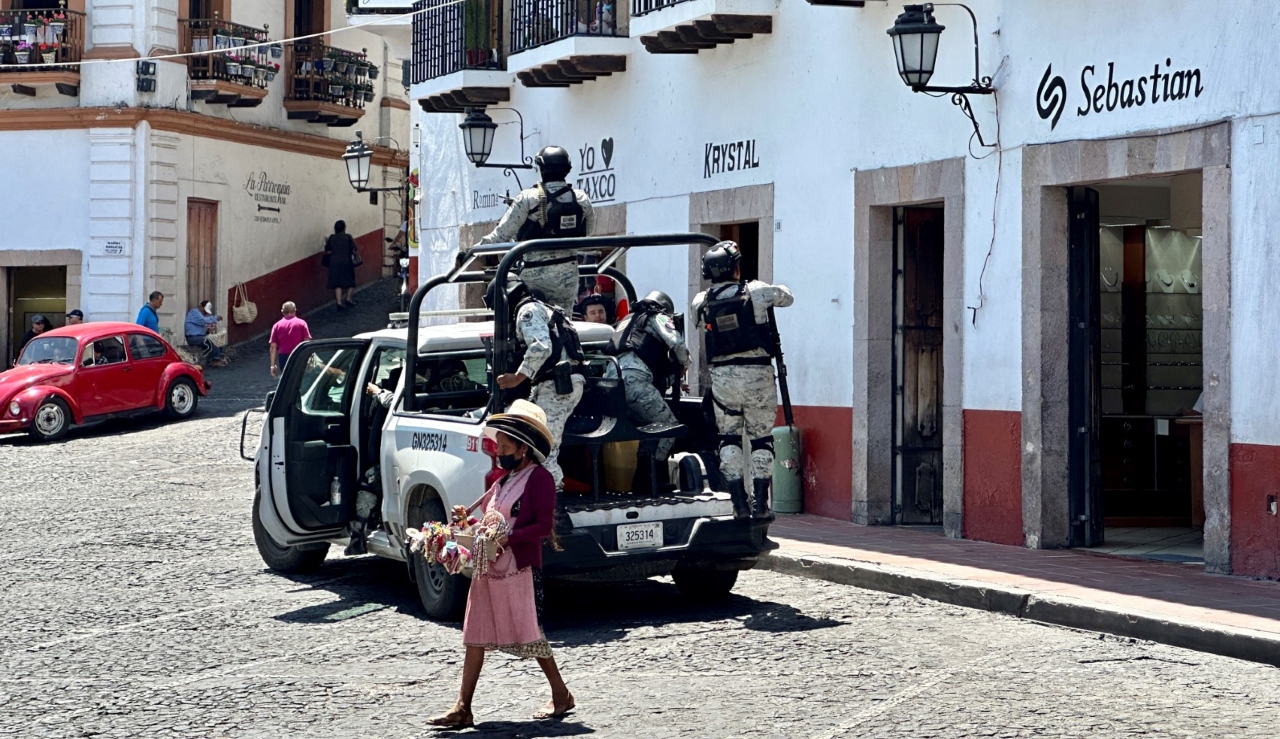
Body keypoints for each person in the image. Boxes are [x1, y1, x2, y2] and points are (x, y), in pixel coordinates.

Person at [428, 400, 574, 729]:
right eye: (499, 446)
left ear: (523, 448)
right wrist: (467, 523)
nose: (500, 452)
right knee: (475, 633)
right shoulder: (503, 480)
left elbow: (542, 526)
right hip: (489, 567)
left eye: (506, 447)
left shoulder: (539, 479)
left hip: (518, 569)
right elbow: (491, 521)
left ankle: (561, 694)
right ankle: (462, 707)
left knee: (531, 633)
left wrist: (509, 538)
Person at [692, 241, 794, 519]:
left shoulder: (701, 301)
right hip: (757, 376)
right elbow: (787, 297)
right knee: (761, 440)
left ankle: (738, 502)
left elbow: (697, 321)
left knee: (728, 439)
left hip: (723, 379)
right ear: (736, 267)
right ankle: (760, 504)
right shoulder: (756, 291)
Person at [488, 279, 585, 490]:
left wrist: (517, 377)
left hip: (557, 386)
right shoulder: (541, 308)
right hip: (555, 384)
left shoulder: (528, 310)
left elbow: (541, 347)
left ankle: (554, 502)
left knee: (545, 449)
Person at [476, 146, 595, 311]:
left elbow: (500, 236)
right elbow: (588, 233)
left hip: (535, 274)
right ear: (567, 169)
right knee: (562, 321)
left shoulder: (528, 198)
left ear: (542, 169)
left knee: (529, 318)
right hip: (569, 274)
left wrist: (472, 251)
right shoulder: (581, 199)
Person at [611, 290, 690, 465]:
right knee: (670, 427)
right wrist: (685, 364)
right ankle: (656, 472)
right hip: (635, 382)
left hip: (610, 383)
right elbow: (677, 343)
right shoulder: (658, 316)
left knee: (646, 427)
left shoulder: (627, 320)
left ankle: (643, 473)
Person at [269, 301, 311, 378]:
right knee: (301, 378)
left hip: (284, 357)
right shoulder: (302, 323)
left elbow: (273, 346)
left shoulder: (276, 326)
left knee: (287, 379)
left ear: (282, 312)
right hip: (299, 354)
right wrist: (308, 358)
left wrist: (272, 365)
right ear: (295, 310)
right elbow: (307, 342)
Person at [325, 220, 359, 310]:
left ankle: (339, 302)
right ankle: (348, 298)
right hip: (346, 261)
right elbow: (354, 248)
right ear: (344, 228)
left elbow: (327, 249)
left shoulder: (332, 237)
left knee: (337, 283)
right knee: (351, 280)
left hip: (334, 262)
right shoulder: (348, 237)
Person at [184, 300, 226, 367]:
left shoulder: (201, 315)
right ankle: (216, 360)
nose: (205, 313)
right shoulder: (194, 312)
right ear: (200, 307)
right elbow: (203, 320)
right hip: (193, 338)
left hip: (199, 337)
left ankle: (221, 357)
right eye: (205, 311)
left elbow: (200, 327)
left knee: (217, 339)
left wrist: (208, 331)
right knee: (211, 340)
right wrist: (215, 318)